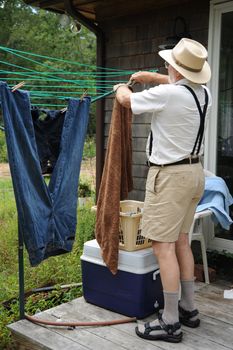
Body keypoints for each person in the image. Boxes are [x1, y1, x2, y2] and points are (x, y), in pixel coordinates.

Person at [113, 38, 212, 343]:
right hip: (195, 174)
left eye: (169, 64)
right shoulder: (203, 93)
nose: (166, 67)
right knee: (181, 241)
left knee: (162, 247)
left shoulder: (168, 95)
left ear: (176, 70)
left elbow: (128, 102)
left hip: (169, 178)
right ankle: (188, 308)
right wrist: (150, 77)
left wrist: (122, 88)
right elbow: (175, 83)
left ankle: (170, 322)